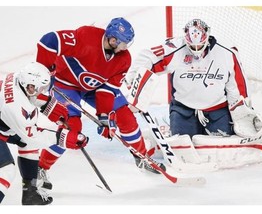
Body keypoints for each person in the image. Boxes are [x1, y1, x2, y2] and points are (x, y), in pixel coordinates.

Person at [125, 18, 262, 168]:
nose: (196, 50)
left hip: (217, 110)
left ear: (207, 37)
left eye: (199, 46)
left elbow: (237, 85)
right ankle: (159, 137)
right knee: (183, 148)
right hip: (183, 109)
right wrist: (134, 79)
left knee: (221, 148)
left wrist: (241, 111)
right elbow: (148, 55)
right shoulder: (175, 48)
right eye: (192, 46)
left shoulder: (227, 53)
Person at [35, 17, 166, 190]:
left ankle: (142, 157)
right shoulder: (86, 37)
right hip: (64, 84)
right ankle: (39, 168)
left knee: (124, 116)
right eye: (123, 43)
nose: (126, 47)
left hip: (95, 88)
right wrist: (44, 70)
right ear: (113, 39)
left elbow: (107, 89)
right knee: (70, 129)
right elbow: (49, 41)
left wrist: (104, 117)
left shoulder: (123, 59)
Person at [0, 62, 88, 205]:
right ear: (30, 85)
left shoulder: (19, 78)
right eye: (40, 88)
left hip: (4, 123)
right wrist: (63, 138)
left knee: (27, 145)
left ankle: (30, 193)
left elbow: (31, 94)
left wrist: (48, 105)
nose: (41, 91)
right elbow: (33, 137)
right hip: (6, 122)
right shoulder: (15, 106)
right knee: (6, 170)